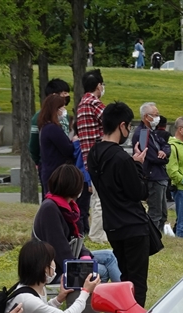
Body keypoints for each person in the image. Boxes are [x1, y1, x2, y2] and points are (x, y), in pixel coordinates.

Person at [86, 102, 152, 313]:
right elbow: (139, 192)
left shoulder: (94, 154)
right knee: (137, 283)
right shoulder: (121, 158)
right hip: (133, 226)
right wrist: (139, 167)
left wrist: (132, 165)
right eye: (129, 126)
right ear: (122, 126)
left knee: (123, 279)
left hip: (113, 225)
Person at [33, 164, 93, 278]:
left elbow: (77, 239)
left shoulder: (69, 207)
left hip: (70, 259)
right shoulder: (50, 209)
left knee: (109, 256)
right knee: (101, 269)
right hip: (55, 270)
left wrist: (85, 255)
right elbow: (60, 249)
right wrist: (80, 268)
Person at [132, 102, 171, 238]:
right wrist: (164, 158)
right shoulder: (142, 134)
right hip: (152, 177)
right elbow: (150, 156)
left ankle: (158, 237)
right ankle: (152, 237)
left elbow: (166, 145)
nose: (157, 117)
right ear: (146, 117)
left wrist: (164, 152)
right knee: (156, 212)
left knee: (163, 213)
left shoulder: (152, 132)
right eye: (155, 115)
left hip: (160, 176)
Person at [76, 69, 106, 242]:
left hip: (89, 158)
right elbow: (111, 121)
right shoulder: (93, 102)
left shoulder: (82, 103)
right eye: (102, 84)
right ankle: (97, 235)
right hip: (100, 157)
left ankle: (96, 233)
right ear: (98, 85)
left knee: (96, 198)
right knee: (102, 199)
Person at [28, 78, 71, 192]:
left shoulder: (64, 116)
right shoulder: (40, 118)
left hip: (63, 163)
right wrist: (38, 161)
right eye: (64, 93)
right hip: (49, 163)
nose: (67, 96)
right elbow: (33, 144)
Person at [37, 93, 74, 193]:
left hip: (50, 172)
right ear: (55, 110)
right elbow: (67, 149)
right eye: (62, 107)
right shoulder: (52, 128)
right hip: (56, 174)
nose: (64, 110)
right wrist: (75, 142)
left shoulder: (45, 127)